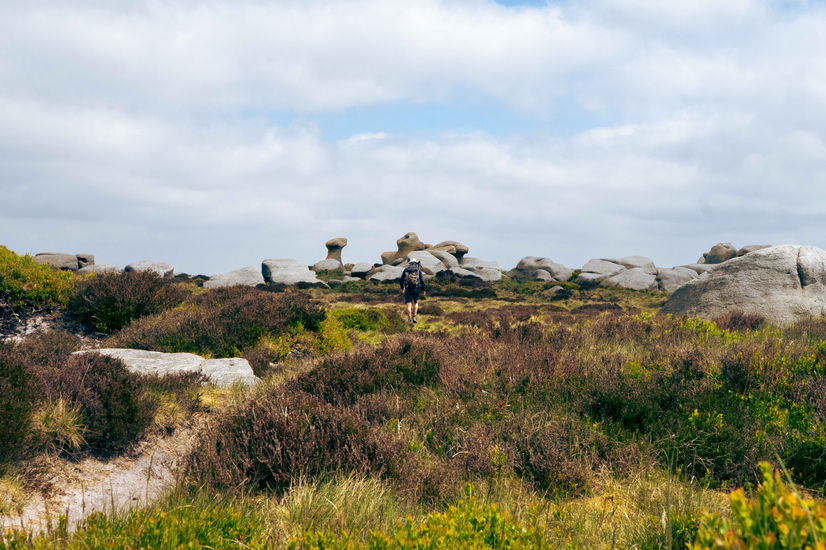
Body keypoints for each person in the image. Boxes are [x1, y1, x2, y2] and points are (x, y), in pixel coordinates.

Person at [400, 258, 426, 323]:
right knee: (416, 302)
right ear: (415, 263)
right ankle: (414, 316)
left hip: (408, 289)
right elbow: (422, 281)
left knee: (408, 305)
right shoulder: (418, 271)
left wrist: (402, 288)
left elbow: (401, 280)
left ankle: (409, 318)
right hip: (416, 288)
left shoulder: (405, 270)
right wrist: (423, 290)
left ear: (410, 264)